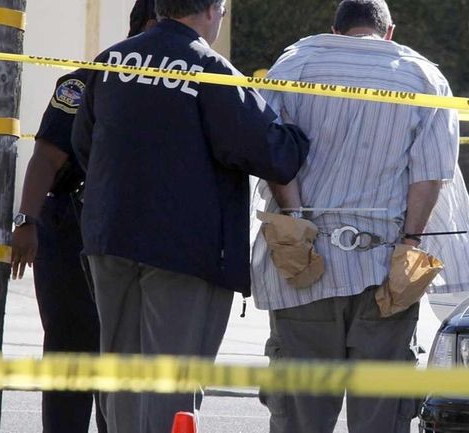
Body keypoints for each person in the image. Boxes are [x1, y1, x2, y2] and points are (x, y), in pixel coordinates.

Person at [251, 1, 469, 432]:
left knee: (301, 414)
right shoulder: (422, 76)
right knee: (381, 416)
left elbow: (272, 151)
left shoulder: (295, 63)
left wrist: (293, 218)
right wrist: (411, 244)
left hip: (303, 265)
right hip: (384, 268)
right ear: (389, 31)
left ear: (336, 29)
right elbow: (431, 174)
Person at [70, 0, 310, 432]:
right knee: (171, 380)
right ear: (214, 10)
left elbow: (84, 144)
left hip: (110, 236)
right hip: (184, 247)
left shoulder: (111, 60)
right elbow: (270, 151)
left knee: (121, 375)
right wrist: (294, 133)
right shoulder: (208, 69)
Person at [9, 2, 157, 432]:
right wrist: (27, 221)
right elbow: (46, 157)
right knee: (72, 350)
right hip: (70, 226)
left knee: (122, 356)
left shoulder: (175, 87)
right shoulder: (88, 79)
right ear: (150, 26)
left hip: (131, 233)